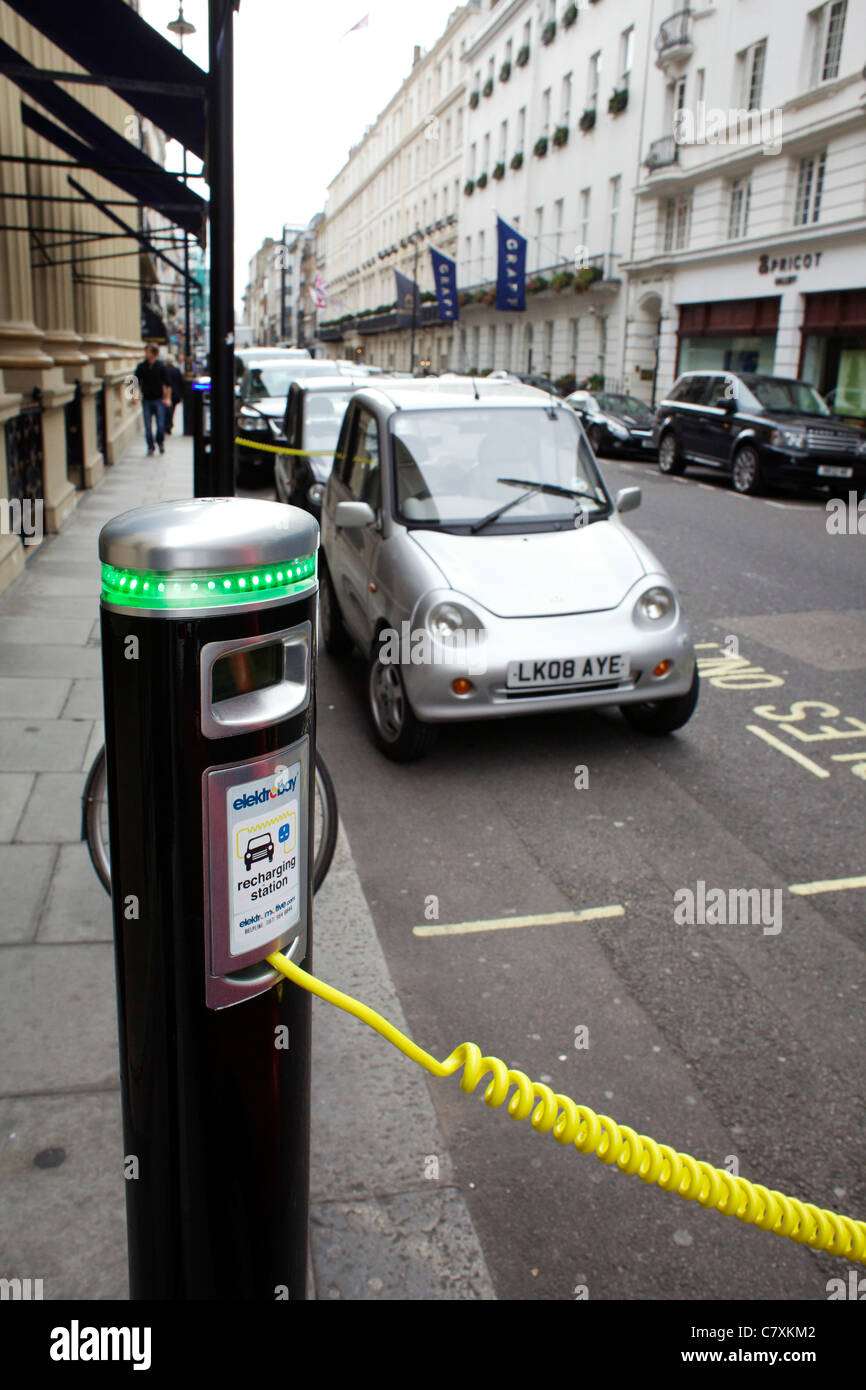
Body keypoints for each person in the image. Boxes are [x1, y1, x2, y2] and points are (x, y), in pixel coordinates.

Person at [134, 344, 171, 455]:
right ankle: (150, 446)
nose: (145, 354)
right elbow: (134, 381)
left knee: (160, 425)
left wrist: (168, 398)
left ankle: (160, 442)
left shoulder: (160, 367)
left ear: (153, 353)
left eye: (147, 352)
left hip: (159, 399)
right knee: (148, 426)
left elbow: (168, 384)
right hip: (147, 400)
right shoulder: (141, 367)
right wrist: (133, 396)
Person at [163, 354, 185, 435]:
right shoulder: (177, 370)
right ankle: (169, 424)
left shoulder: (164, 369)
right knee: (172, 410)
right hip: (175, 394)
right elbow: (181, 382)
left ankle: (167, 424)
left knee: (166, 410)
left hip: (166, 393)